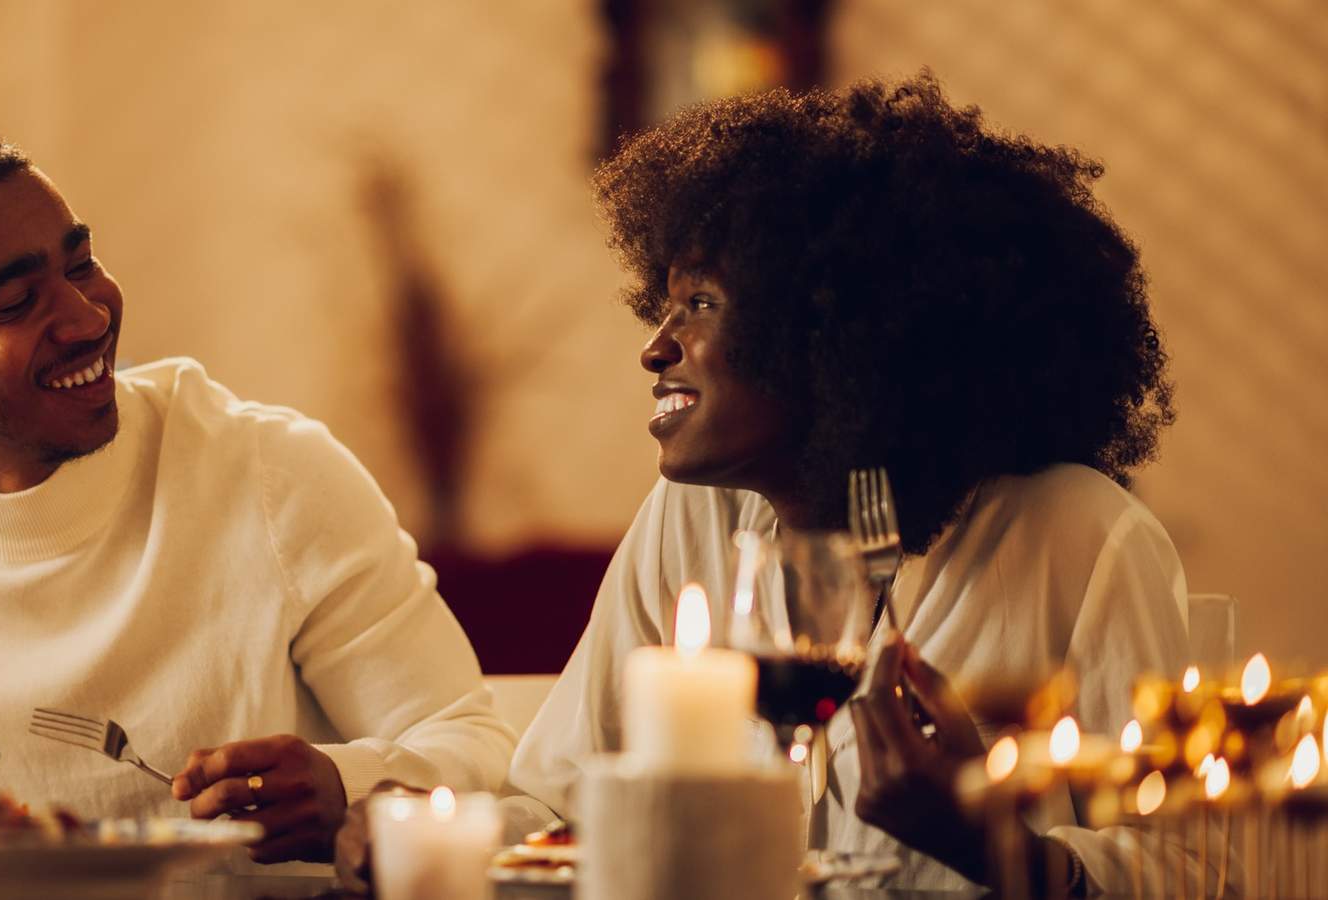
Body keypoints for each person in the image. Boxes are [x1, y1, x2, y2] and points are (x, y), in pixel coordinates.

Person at [344, 73, 1206, 894]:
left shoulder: (1078, 536)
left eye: (703, 304)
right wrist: (427, 830)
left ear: (835, 335)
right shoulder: (687, 520)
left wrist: (985, 840)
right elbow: (562, 803)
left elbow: (1200, 879)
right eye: (665, 303)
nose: (655, 346)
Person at [0, 122, 514, 865]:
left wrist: (346, 781)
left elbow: (477, 744)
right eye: (16, 302)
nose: (87, 314)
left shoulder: (267, 473)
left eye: (81, 262)